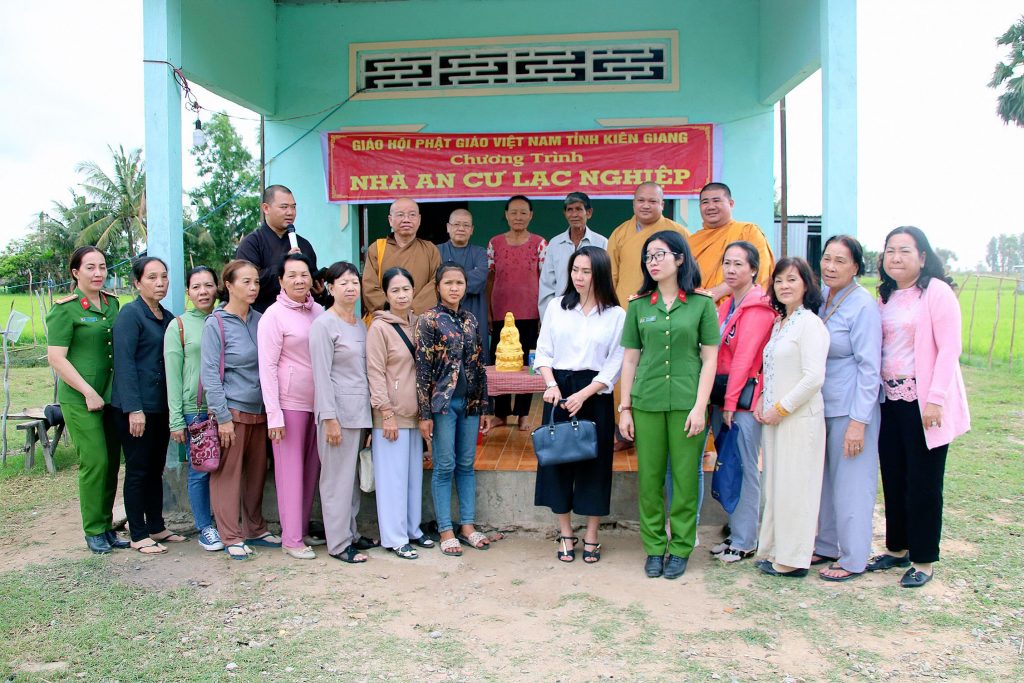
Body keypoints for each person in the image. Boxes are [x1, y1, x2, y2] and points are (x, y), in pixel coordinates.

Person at [867, 226, 969, 588]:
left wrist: (935, 399)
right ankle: (897, 549)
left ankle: (923, 559)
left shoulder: (936, 293)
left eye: (905, 251)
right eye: (890, 250)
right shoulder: (886, 296)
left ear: (923, 257)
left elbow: (949, 350)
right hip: (889, 401)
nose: (895, 257)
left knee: (924, 483)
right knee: (893, 476)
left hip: (924, 403)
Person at [618, 231, 718, 580]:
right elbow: (629, 361)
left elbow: (709, 360)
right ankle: (655, 546)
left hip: (687, 403)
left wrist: (700, 406)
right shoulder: (638, 305)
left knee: (686, 479)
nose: (653, 261)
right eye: (648, 257)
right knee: (649, 479)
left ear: (679, 259)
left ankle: (680, 548)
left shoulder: (703, 304)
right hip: (646, 403)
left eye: (660, 254)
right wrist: (625, 408)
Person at [535, 246, 624, 563]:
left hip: (596, 394)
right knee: (558, 463)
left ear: (599, 273)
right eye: (575, 270)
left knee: (595, 466)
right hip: (558, 391)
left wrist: (585, 393)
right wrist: (551, 385)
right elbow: (543, 352)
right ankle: (565, 532)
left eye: (586, 271)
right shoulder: (557, 307)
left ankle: (591, 535)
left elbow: (616, 362)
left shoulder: (615, 315)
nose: (579, 276)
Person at [812, 235, 882, 582]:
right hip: (823, 405)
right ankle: (826, 545)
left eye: (840, 261)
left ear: (856, 267)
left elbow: (870, 367)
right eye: (827, 258)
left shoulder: (863, 305)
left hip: (851, 408)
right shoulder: (822, 298)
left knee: (853, 483)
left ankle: (854, 558)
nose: (830, 266)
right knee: (824, 481)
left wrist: (859, 422)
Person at [46, 247, 125, 554]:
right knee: (95, 460)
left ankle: (106, 527)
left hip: (110, 394)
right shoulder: (64, 309)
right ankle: (93, 529)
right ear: (76, 272)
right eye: (90, 268)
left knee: (111, 463)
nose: (97, 273)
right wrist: (87, 391)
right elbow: (57, 358)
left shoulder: (112, 304)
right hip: (81, 398)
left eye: (102, 267)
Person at [754, 257, 829, 578]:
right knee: (776, 486)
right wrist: (762, 401)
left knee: (797, 487)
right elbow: (771, 369)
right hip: (774, 418)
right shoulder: (779, 323)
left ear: (806, 285)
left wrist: (781, 407)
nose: (784, 286)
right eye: (779, 280)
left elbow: (813, 378)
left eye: (792, 280)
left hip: (800, 419)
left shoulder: (810, 323)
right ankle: (774, 549)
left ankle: (794, 559)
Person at [202, 260, 278, 560]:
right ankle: (230, 535)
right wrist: (222, 418)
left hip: (261, 411)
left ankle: (255, 528)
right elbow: (210, 374)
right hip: (232, 411)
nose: (253, 287)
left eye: (256, 282)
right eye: (245, 282)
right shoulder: (216, 323)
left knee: (257, 474)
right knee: (228, 475)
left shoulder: (262, 319)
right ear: (229, 285)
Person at [706, 242, 777, 564]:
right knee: (730, 465)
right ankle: (737, 533)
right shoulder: (728, 305)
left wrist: (731, 404)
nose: (731, 270)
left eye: (739, 264)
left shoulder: (758, 308)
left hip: (743, 404)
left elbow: (744, 360)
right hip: (725, 399)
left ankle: (746, 539)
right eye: (727, 263)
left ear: (753, 269)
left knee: (746, 467)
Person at [417, 263, 494, 557]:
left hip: (470, 403)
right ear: (438, 287)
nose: (454, 288)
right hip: (443, 405)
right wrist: (424, 415)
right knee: (444, 465)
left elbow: (479, 365)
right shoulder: (429, 321)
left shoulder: (471, 320)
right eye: (448, 282)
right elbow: (422, 370)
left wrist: (485, 405)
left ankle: (467, 526)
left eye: (459, 282)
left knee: (466, 464)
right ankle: (445, 529)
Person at [258, 253, 326, 560]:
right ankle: (291, 539)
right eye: (292, 275)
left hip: (318, 405)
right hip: (289, 405)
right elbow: (267, 368)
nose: (299, 280)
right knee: (289, 472)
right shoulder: (273, 316)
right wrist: (274, 415)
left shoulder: (319, 312)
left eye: (304, 274)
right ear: (281, 281)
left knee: (311, 470)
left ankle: (300, 529)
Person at [110, 257, 178, 553]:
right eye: (152, 277)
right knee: (138, 470)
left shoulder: (167, 316)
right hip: (136, 408)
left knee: (155, 468)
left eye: (163, 276)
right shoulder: (130, 315)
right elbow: (124, 364)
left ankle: (156, 526)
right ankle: (138, 533)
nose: (160, 282)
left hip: (160, 405)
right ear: (137, 283)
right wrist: (133, 409)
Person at [309, 261, 375, 564]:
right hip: (336, 415)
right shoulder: (324, 324)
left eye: (354, 282)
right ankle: (337, 543)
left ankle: (350, 532)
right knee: (336, 480)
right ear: (330, 287)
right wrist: (329, 418)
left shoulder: (359, 323)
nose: (350, 287)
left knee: (350, 479)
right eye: (343, 282)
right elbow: (321, 376)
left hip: (359, 412)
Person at [367, 268, 435, 559]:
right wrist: (386, 413)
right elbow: (375, 371)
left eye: (406, 289)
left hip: (414, 412)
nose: (402, 295)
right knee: (392, 478)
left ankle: (412, 529)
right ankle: (394, 538)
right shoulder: (379, 328)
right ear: (386, 295)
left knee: (411, 477)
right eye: (395, 290)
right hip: (391, 415)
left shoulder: (419, 323)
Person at [164, 266, 223, 551]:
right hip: (196, 410)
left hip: (225, 408)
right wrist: (176, 419)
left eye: (208, 285)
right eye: (196, 287)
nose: (203, 292)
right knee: (200, 470)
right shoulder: (180, 326)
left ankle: (226, 522)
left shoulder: (224, 319)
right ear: (188, 292)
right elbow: (173, 376)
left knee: (225, 469)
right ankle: (205, 527)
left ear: (217, 288)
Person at [487, 195, 547, 430]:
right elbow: (490, 279)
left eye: (523, 212)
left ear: (531, 215)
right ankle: (500, 414)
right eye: (513, 212)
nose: (518, 217)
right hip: (501, 312)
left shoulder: (540, 243)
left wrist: (543, 314)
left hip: (531, 313)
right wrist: (490, 311)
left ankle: (523, 414)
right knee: (499, 363)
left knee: (528, 365)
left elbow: (545, 280)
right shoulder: (495, 243)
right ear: (506, 215)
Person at [236, 184, 326, 313]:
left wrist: (319, 292)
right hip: (262, 317)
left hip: (301, 319)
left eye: (293, 207)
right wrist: (283, 265)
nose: (290, 212)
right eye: (284, 207)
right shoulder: (251, 243)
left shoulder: (304, 245)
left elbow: (311, 289)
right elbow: (248, 284)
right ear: (266, 208)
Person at [607, 182, 690, 308]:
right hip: (625, 304)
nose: (646, 206)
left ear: (662, 205)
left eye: (652, 201)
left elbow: (690, 269)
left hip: (667, 305)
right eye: (641, 200)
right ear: (633, 203)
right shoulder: (619, 233)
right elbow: (611, 274)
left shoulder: (678, 232)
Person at [688, 182, 775, 302]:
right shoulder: (692, 241)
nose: (711, 207)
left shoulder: (748, 231)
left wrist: (715, 293)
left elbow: (759, 272)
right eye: (705, 202)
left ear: (731, 204)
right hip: (697, 308)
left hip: (738, 308)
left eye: (716, 201)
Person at [362, 197, 442, 315]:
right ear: (390, 220)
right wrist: (393, 311)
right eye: (400, 215)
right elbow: (369, 286)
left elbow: (436, 284)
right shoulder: (377, 249)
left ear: (419, 220)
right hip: (387, 319)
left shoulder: (430, 249)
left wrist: (410, 312)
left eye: (412, 215)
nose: (406, 220)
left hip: (420, 320)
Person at [538, 192, 609, 320]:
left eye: (579, 209)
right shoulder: (555, 244)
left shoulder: (602, 243)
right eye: (570, 210)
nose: (574, 214)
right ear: (565, 213)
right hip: (561, 313)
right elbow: (547, 285)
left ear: (589, 212)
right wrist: (548, 319)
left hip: (592, 313)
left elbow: (605, 282)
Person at [438, 209, 490, 360]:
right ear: (448, 227)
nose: (461, 228)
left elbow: (480, 279)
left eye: (466, 225)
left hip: (475, 312)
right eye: (456, 224)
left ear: (472, 230)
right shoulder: (436, 251)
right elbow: (435, 279)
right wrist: (468, 275)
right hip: (445, 315)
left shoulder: (479, 252)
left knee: (476, 360)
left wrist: (447, 279)